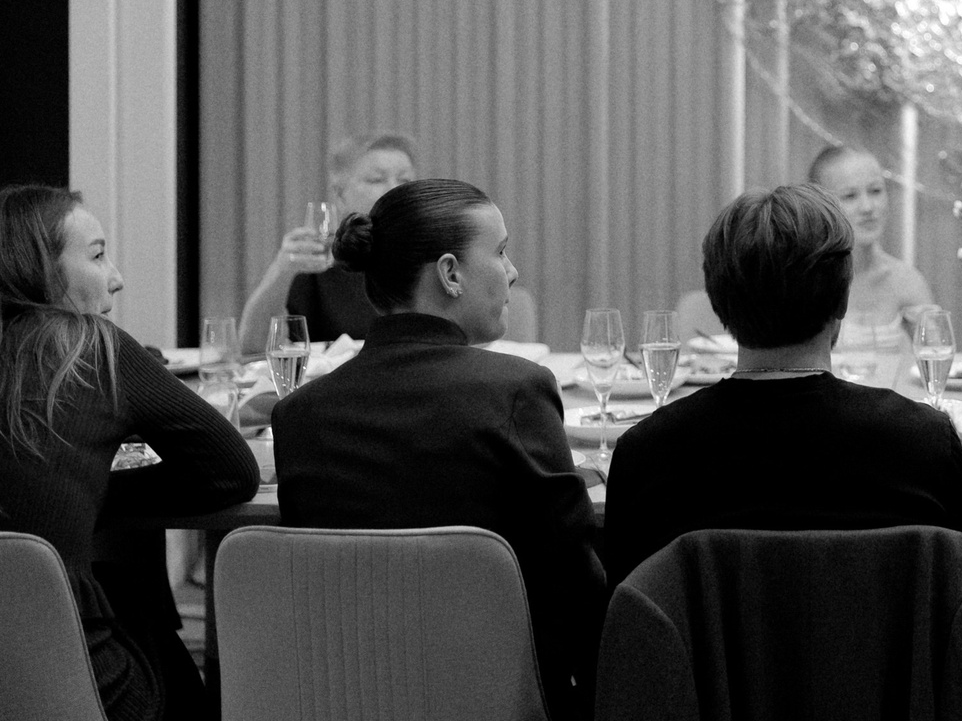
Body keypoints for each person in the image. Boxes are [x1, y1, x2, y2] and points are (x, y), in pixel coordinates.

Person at [271, 179, 603, 718]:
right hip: (495, 698)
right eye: (500, 252)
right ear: (450, 274)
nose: (513, 271)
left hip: (346, 697)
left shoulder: (299, 416)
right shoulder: (515, 391)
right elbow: (577, 585)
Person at [602, 184, 962, 586]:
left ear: (718, 302)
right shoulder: (923, 445)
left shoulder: (646, 456)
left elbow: (626, 616)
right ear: (843, 301)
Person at [0, 185, 259, 721]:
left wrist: (78, 486)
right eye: (97, 256)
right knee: (132, 600)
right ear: (38, 269)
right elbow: (233, 473)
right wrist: (94, 486)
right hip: (71, 690)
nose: (115, 277)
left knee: (118, 584)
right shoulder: (90, 348)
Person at [239, 132, 535, 353]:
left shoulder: (433, 257)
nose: (393, 189)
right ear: (340, 194)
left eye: (404, 180)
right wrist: (282, 271)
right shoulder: (315, 264)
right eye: (377, 179)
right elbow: (255, 350)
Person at [805, 146, 935, 332]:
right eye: (850, 196)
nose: (867, 207)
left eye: (875, 191)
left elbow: (936, 346)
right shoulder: (801, 282)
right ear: (819, 205)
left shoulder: (906, 281)